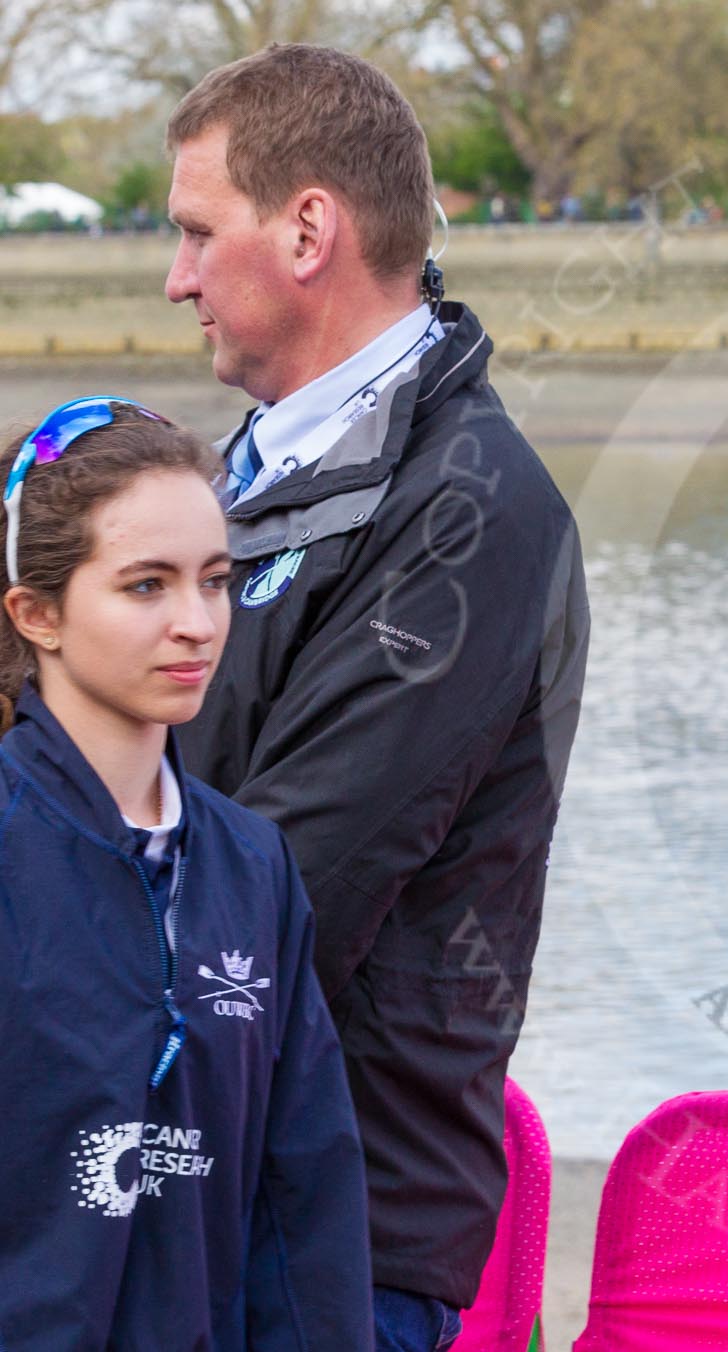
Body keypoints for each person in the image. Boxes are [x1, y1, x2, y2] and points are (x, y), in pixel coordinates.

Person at [162, 45, 590, 1351]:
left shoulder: (470, 513)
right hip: (171, 1188)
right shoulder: (255, 470)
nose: (174, 278)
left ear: (308, 230)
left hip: (317, 1236)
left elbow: (283, 888)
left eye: (193, 232)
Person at [0, 399, 370, 1348]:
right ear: (36, 612)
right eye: (145, 587)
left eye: (215, 581)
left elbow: (304, 1196)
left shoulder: (251, 865)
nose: (197, 623)